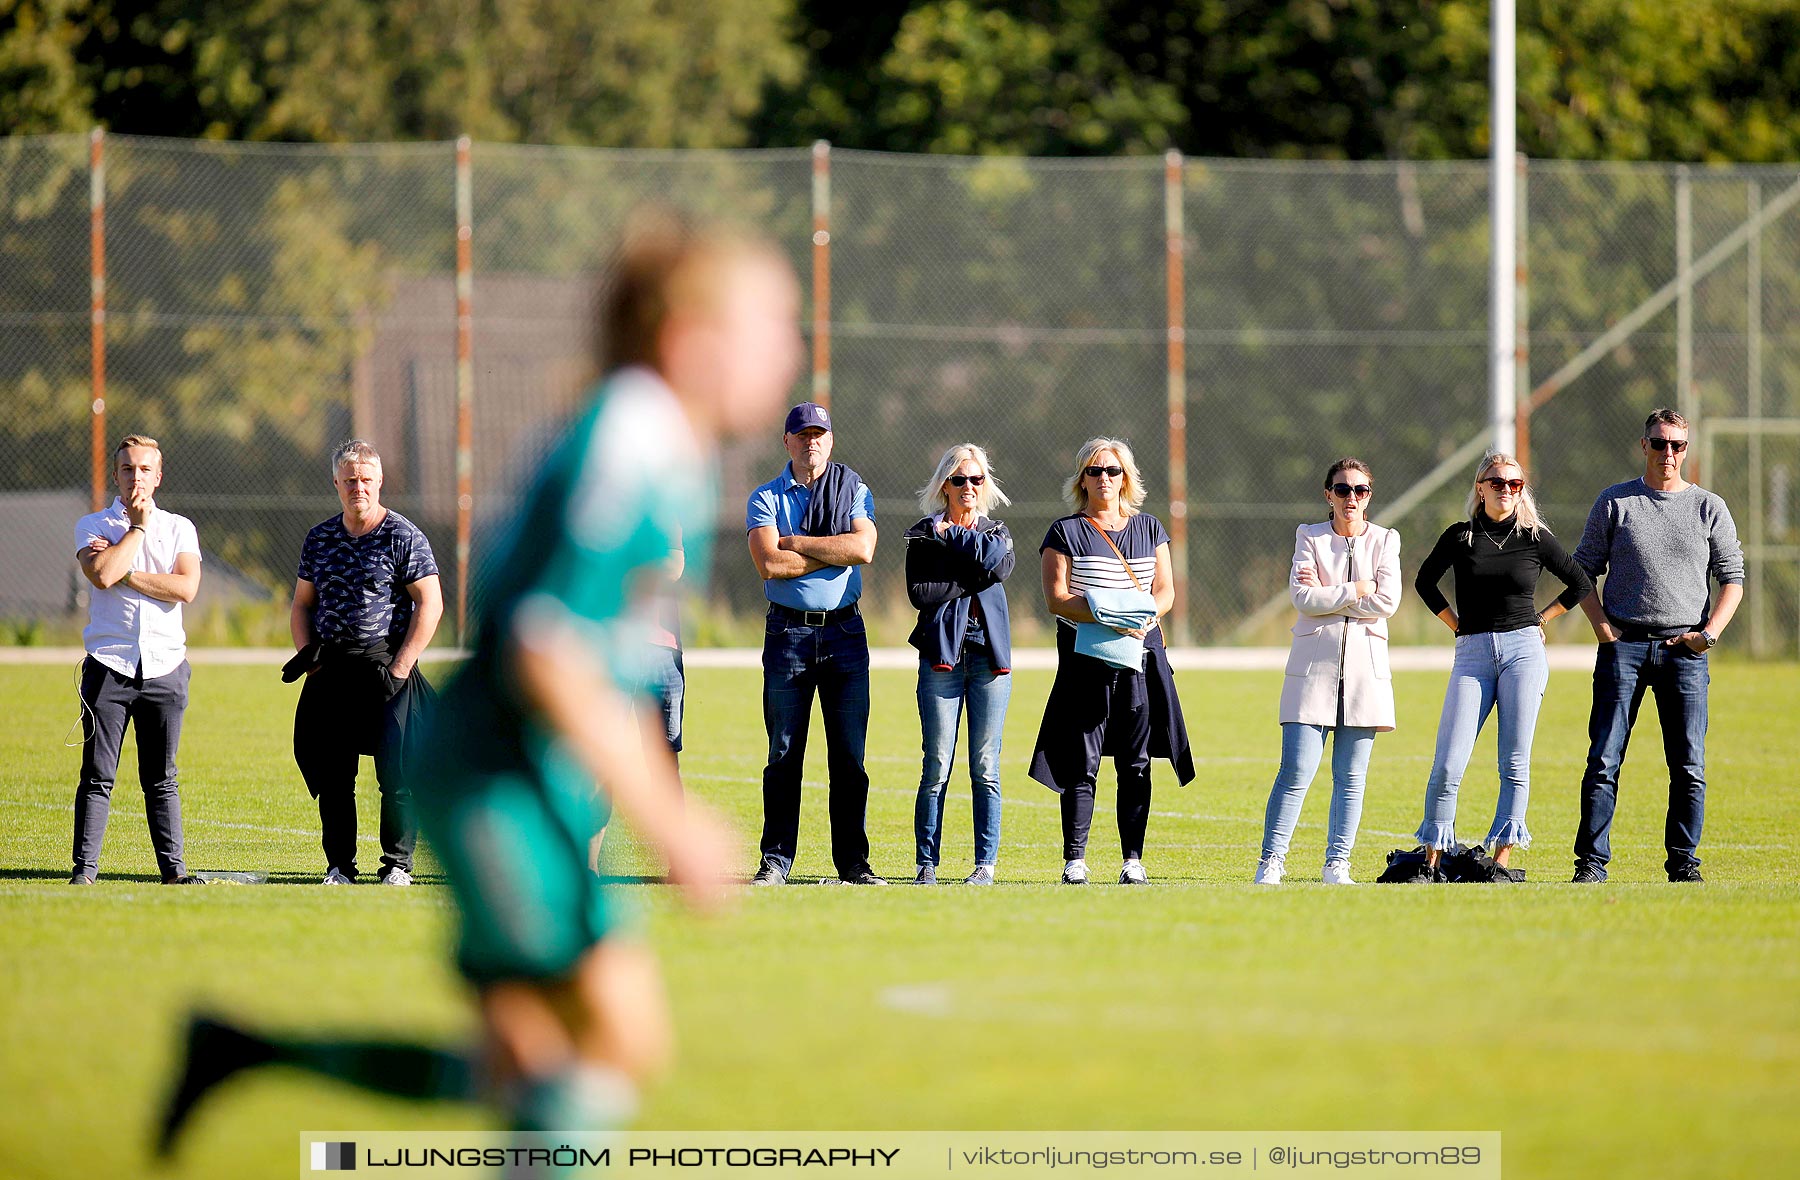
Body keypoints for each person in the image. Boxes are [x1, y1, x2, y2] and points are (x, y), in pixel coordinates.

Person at [159, 213, 792, 1164]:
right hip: (494, 778)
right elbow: (544, 643)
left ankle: (243, 1054)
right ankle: (244, 1056)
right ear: (690, 341)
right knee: (593, 1051)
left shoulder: (657, 436)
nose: (791, 352)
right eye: (773, 327)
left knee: (557, 1056)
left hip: (508, 770)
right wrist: (668, 816)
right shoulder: (638, 437)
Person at [1571, 409, 1744, 884]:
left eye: (1678, 445)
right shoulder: (1615, 502)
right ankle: (1591, 864)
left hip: (1685, 649)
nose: (1669, 453)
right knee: (1604, 759)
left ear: (1687, 449)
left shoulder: (1710, 507)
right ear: (1643, 445)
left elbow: (1733, 579)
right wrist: (1603, 628)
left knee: (1689, 765)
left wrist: (1708, 635)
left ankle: (1683, 863)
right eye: (1660, 443)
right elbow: (1582, 570)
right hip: (1623, 645)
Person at [1408, 454, 1592, 881]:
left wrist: (1542, 620)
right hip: (1471, 653)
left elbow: (1580, 582)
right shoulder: (1461, 537)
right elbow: (1423, 581)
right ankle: (1432, 859)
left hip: (1523, 652)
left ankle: (1501, 861)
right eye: (1497, 482)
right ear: (1480, 487)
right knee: (1449, 762)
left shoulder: (1535, 537)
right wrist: (1456, 624)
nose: (1506, 489)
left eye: (1514, 482)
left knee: (1513, 761)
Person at [1030, 437, 1194, 885]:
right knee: (1082, 761)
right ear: (1082, 478)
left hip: (1140, 659)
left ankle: (1132, 860)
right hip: (1087, 662)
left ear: (1127, 478)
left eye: (1113, 471)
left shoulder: (1150, 528)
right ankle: (1075, 860)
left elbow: (1166, 592)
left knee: (1135, 761)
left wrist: (1139, 620)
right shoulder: (1065, 531)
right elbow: (1057, 599)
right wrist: (1109, 615)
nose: (1105, 479)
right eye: (1095, 471)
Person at [288, 440, 443, 886]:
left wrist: (400, 667)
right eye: (350, 479)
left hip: (386, 670)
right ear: (336, 482)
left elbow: (429, 604)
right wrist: (308, 659)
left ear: (379, 482)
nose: (359, 487)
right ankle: (339, 866)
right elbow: (301, 605)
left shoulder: (402, 535)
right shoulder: (320, 537)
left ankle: (397, 865)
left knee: (397, 773)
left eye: (367, 479)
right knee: (334, 775)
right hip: (331, 670)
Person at [745, 401, 882, 886]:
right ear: (787, 441)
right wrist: (832, 549)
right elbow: (769, 566)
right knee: (784, 753)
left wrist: (797, 541)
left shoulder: (852, 489)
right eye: (802, 434)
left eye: (820, 433)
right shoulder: (764, 497)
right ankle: (776, 861)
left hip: (845, 632)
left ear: (830, 439)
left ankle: (853, 864)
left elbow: (862, 548)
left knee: (849, 756)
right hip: (788, 634)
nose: (812, 441)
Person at [1253, 458, 1401, 886]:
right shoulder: (1309, 537)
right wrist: (1357, 589)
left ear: (1369, 495)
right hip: (1311, 671)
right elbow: (1303, 597)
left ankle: (1338, 863)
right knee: (1296, 771)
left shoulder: (1386, 540)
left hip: (1365, 676)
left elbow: (1387, 602)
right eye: (1342, 490)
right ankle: (1272, 860)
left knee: (1351, 778)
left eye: (1360, 490)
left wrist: (1331, 595)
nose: (1351, 498)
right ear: (1328, 495)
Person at [70, 434, 205, 886]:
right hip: (110, 665)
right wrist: (138, 530)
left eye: (145, 469)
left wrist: (127, 572)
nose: (136, 477)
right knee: (97, 775)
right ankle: (84, 873)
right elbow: (103, 573)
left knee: (162, 778)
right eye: (128, 469)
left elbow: (185, 589)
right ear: (116, 475)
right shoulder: (92, 523)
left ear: (159, 475)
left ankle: (174, 874)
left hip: (166, 667)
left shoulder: (181, 528)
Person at [904, 443, 1016, 885]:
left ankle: (984, 865)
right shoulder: (922, 533)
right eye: (959, 480)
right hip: (941, 659)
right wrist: (971, 567)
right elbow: (922, 594)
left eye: (976, 479)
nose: (968, 487)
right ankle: (925, 865)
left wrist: (953, 544)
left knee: (985, 766)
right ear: (944, 486)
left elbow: (999, 567)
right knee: (936, 765)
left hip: (988, 659)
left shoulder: (999, 530)